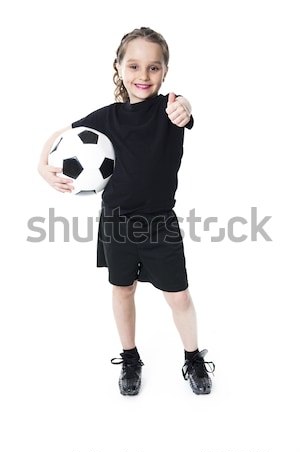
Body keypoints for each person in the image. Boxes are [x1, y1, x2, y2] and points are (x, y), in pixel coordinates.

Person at [38, 27, 215, 396]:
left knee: (179, 295)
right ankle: (130, 357)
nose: (143, 75)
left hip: (160, 223)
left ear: (164, 72)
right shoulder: (107, 118)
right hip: (117, 223)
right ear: (118, 68)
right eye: (134, 66)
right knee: (122, 290)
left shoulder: (171, 107)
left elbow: (185, 108)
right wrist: (42, 164)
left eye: (153, 68)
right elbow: (58, 134)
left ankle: (193, 357)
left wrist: (187, 107)